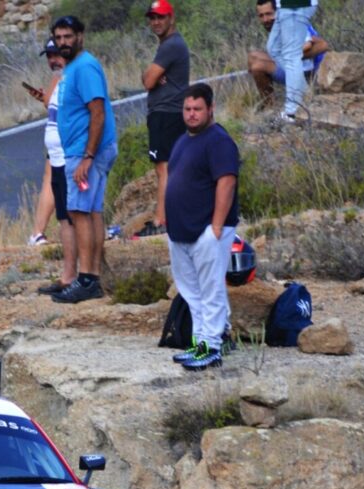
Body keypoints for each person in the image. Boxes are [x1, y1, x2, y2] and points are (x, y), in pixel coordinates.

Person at [165, 83, 239, 371]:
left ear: (211, 109)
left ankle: (212, 346)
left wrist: (216, 227)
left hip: (207, 231)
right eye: (187, 109)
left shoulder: (218, 141)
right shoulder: (183, 141)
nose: (192, 114)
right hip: (181, 232)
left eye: (197, 109)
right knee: (191, 292)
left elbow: (227, 181)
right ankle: (199, 342)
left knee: (211, 290)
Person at [49, 15, 118, 304]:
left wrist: (88, 156)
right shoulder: (73, 66)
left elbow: (97, 111)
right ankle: (92, 277)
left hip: (85, 151)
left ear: (80, 36)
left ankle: (87, 279)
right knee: (91, 211)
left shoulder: (85, 66)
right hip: (82, 149)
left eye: (68, 36)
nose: (63, 42)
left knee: (79, 212)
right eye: (58, 37)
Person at [25, 38, 80, 296]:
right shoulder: (59, 76)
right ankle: (38, 233)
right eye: (48, 56)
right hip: (57, 142)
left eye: (55, 55)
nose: (51, 60)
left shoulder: (70, 75)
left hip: (67, 143)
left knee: (61, 191)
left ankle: (39, 233)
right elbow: (52, 103)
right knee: (51, 183)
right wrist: (43, 98)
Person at [136, 0, 189, 238]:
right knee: (170, 166)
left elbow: (148, 81)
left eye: (161, 17)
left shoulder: (171, 46)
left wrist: (152, 75)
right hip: (169, 113)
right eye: (153, 18)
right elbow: (149, 78)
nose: (156, 22)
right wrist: (153, 75)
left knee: (163, 167)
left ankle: (162, 220)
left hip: (166, 113)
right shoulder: (168, 46)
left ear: (171, 18)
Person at [247, 0, 328, 109]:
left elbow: (319, 45)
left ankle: (269, 106)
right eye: (261, 15)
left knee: (258, 66)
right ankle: (267, 101)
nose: (265, 19)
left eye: (269, 14)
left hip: (308, 72)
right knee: (253, 57)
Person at [264, 0, 320, 122]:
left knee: (291, 55)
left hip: (294, 5)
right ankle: (305, 93)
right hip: (284, 7)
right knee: (274, 48)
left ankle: (292, 111)